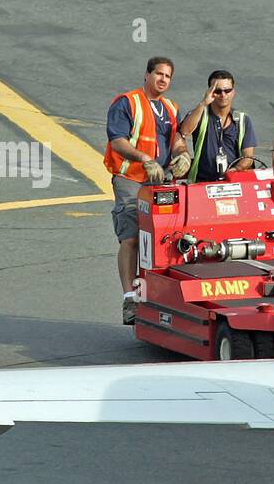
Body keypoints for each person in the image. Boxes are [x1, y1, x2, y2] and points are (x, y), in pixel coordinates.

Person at [103, 57, 192, 324]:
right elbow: (117, 141)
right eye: (159, 74)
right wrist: (145, 158)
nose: (163, 79)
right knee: (130, 237)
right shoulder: (127, 102)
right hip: (131, 179)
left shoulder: (171, 107)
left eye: (168, 76)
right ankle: (130, 298)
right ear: (147, 75)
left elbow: (176, 139)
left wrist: (182, 154)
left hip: (160, 181)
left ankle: (162, 296)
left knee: (165, 238)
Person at [177, 69, 258, 183]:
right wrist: (203, 103)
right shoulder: (200, 114)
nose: (223, 95)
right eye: (218, 91)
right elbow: (184, 131)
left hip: (233, 183)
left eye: (227, 90)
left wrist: (234, 170)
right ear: (210, 92)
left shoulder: (243, 120)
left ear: (233, 92)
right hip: (203, 182)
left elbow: (248, 157)